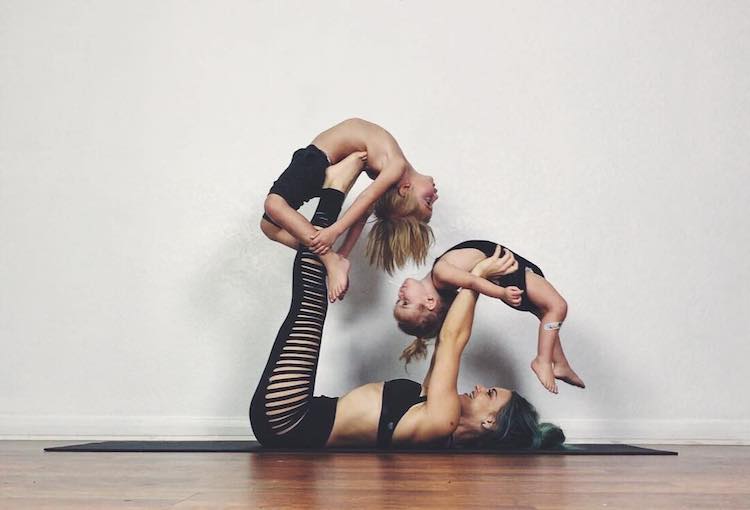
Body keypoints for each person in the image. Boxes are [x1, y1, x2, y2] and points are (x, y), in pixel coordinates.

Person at [250, 197, 563, 449]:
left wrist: (479, 277)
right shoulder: (438, 410)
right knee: (310, 298)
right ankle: (325, 194)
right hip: (298, 416)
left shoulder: (442, 420)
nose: (480, 387)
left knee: (309, 305)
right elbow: (445, 343)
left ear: (489, 422)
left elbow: (454, 341)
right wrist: (466, 282)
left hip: (288, 418)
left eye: (490, 394)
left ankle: (334, 185)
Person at [260, 118, 438, 302]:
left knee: (274, 204)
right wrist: (337, 238)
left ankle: (330, 259)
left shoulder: (396, 167)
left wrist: (341, 246)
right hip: (319, 160)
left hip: (319, 159)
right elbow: (365, 202)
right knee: (268, 226)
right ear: (405, 188)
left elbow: (364, 208)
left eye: (428, 201)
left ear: (405, 189)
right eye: (429, 202)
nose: (435, 197)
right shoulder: (397, 165)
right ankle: (329, 258)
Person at [394, 240, 585, 394]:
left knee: (547, 314)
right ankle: (543, 360)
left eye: (399, 301)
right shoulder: (441, 274)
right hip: (509, 276)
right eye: (405, 303)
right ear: (429, 302)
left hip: (507, 273)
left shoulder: (443, 282)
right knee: (557, 307)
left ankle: (560, 364)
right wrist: (501, 293)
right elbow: (473, 281)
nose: (400, 295)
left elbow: (473, 280)